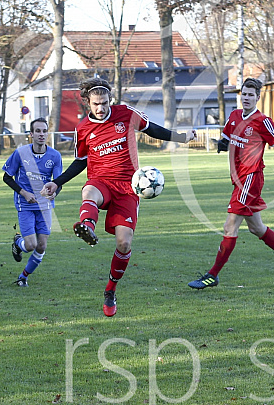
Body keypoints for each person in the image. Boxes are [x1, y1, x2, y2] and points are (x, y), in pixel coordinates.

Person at [41, 77, 197, 317]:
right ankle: (87, 226)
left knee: (124, 243)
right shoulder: (83, 128)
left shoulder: (125, 113)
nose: (100, 108)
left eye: (104, 103)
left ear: (110, 100)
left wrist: (181, 137)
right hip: (101, 182)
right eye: (95, 104)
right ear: (88, 104)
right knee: (88, 191)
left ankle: (110, 290)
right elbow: (80, 162)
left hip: (127, 187)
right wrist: (57, 182)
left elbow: (153, 129)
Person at [188, 78, 274, 290]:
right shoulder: (234, 116)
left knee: (229, 225)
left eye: (251, 95)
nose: (247, 97)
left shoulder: (262, 121)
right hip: (238, 179)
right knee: (256, 227)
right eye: (244, 94)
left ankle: (212, 275)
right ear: (240, 95)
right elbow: (226, 142)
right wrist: (219, 145)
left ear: (257, 97)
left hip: (250, 179)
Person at [2, 117, 63, 287]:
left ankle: (23, 276)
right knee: (30, 245)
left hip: (44, 206)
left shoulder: (55, 156)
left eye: (44, 131)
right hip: (25, 205)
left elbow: (58, 182)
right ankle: (18, 242)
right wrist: (24, 193)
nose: (41, 134)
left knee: (41, 246)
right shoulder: (21, 153)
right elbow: (7, 177)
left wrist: (53, 194)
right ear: (31, 134)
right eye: (38, 131)